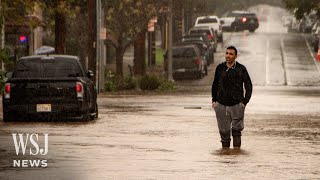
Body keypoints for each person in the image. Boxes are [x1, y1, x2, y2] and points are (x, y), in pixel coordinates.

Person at [211, 46, 252, 149]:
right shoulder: (220, 68)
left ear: (235, 56)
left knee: (236, 131)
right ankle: (226, 158)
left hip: (237, 105)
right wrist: (214, 101)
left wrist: (244, 102)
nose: (228, 56)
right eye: (227, 53)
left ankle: (236, 157)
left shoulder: (241, 69)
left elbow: (248, 85)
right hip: (221, 105)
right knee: (224, 133)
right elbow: (215, 84)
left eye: (231, 54)